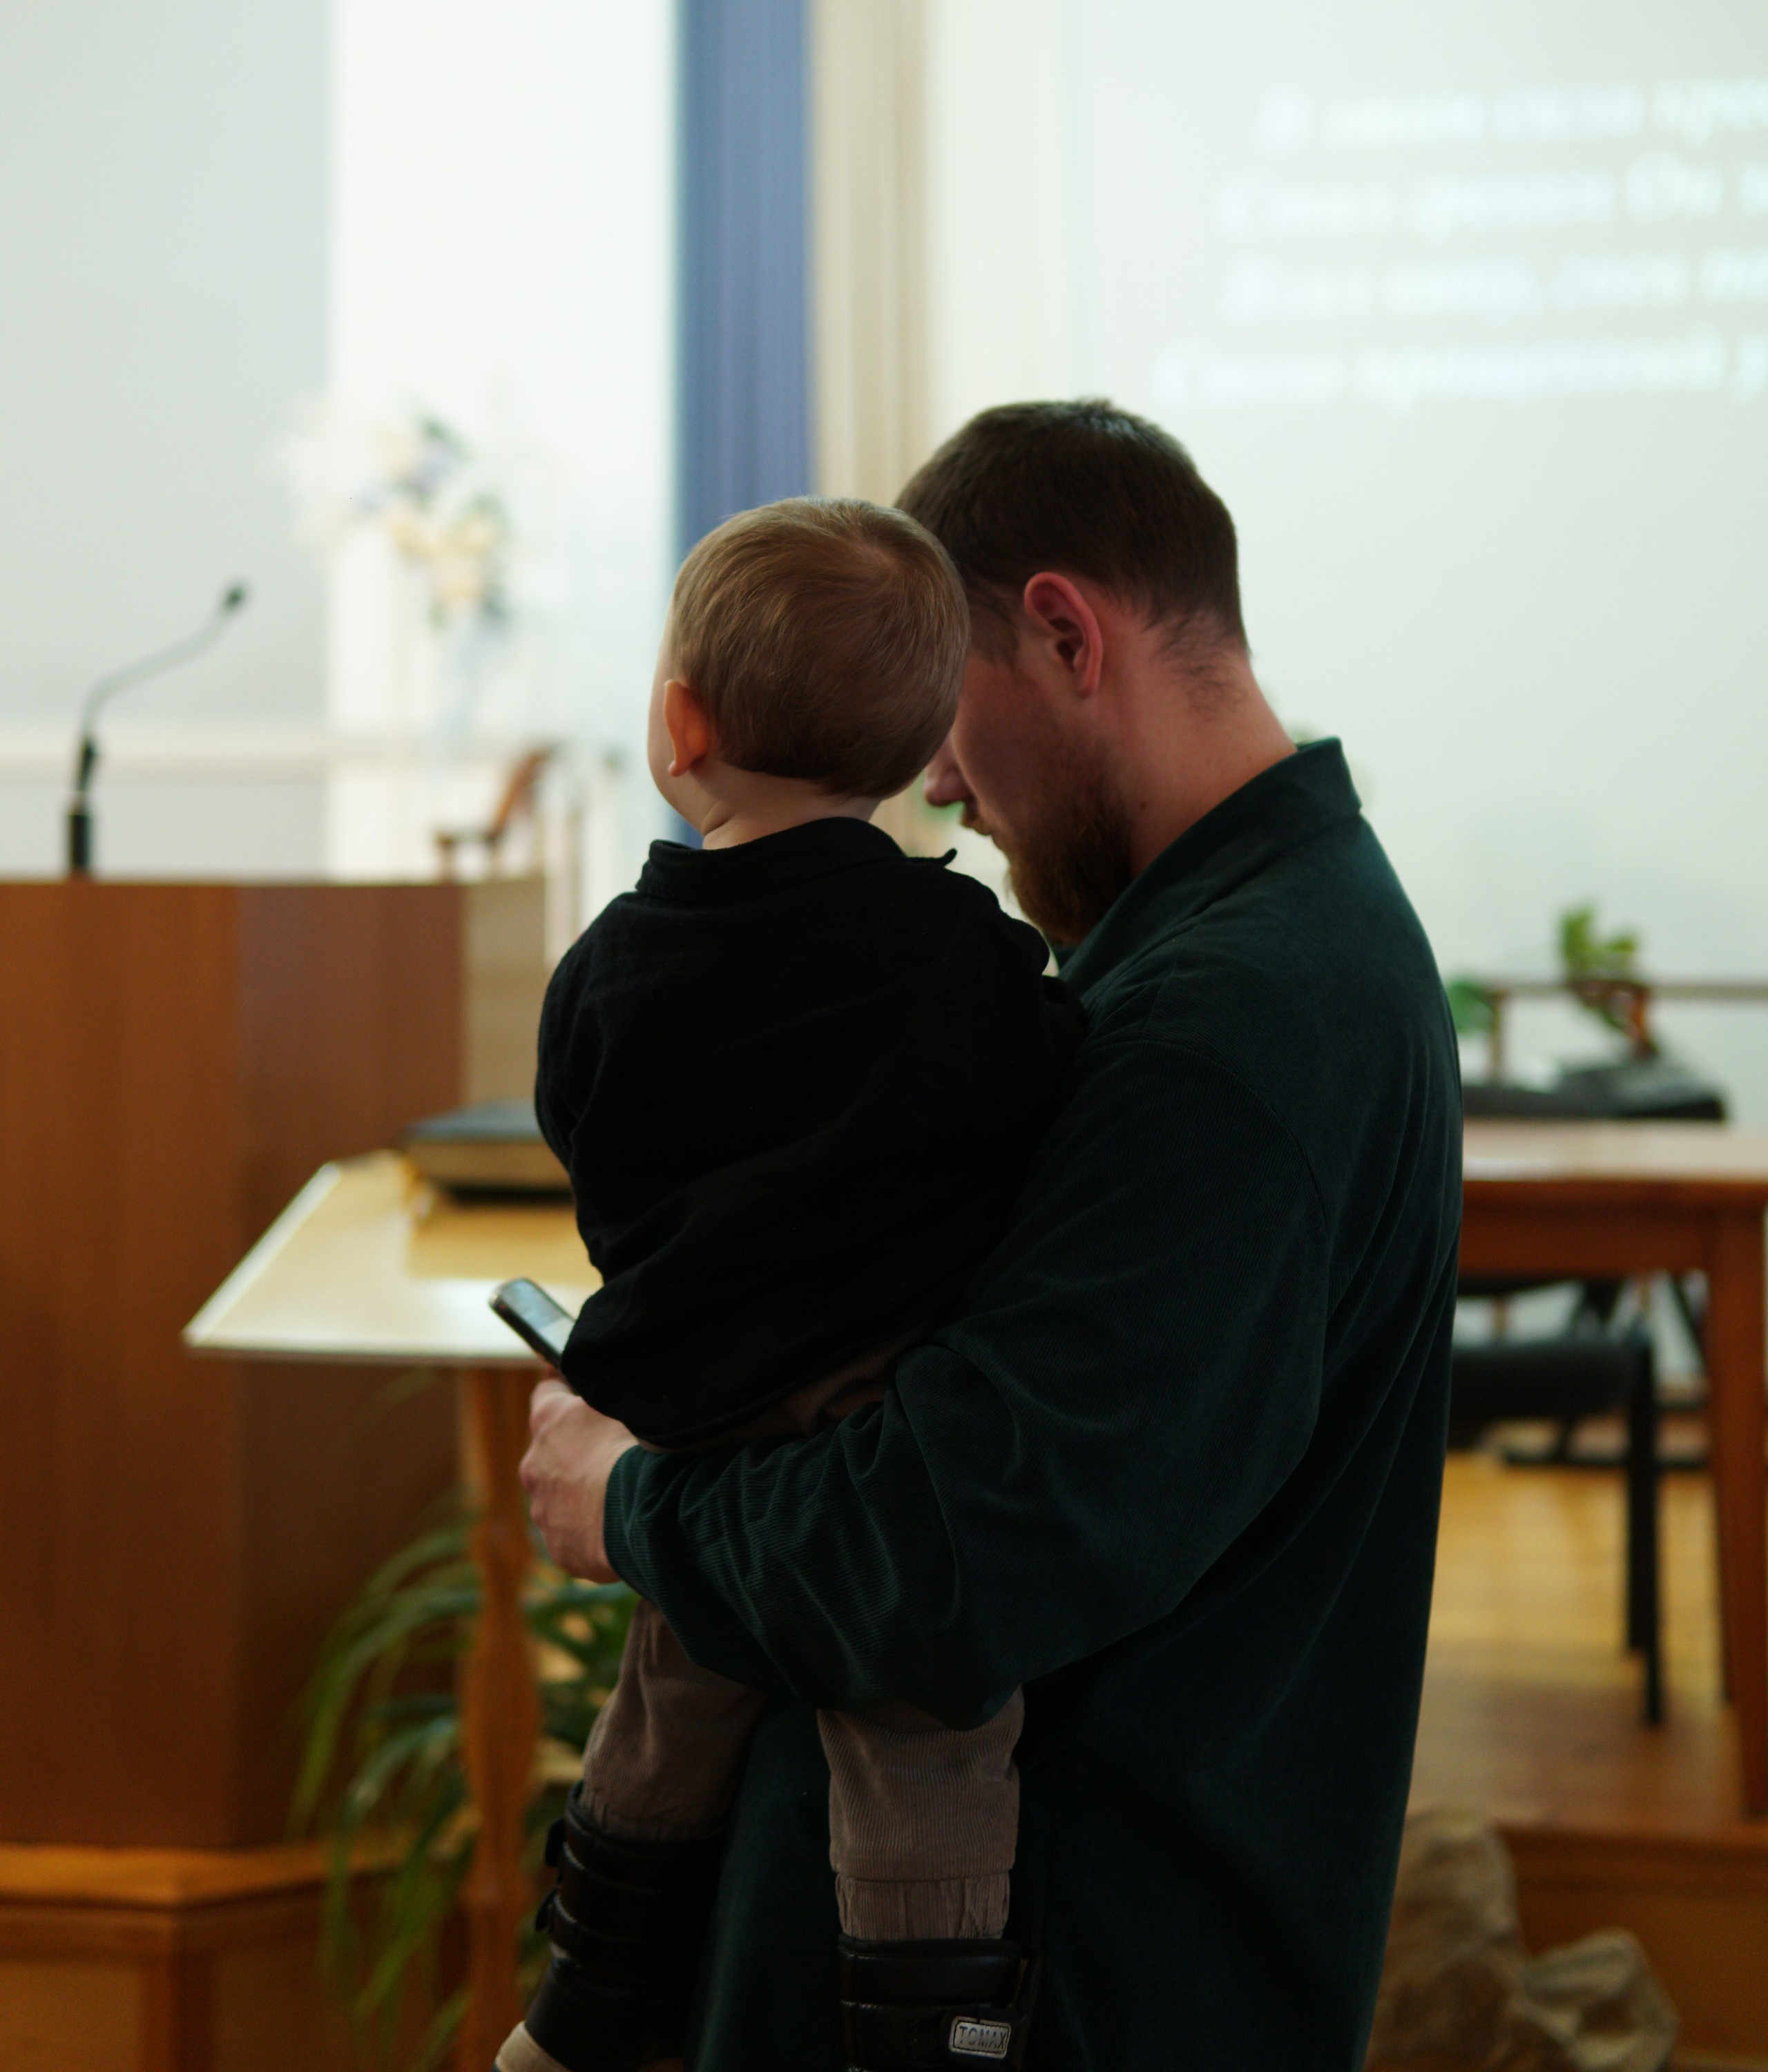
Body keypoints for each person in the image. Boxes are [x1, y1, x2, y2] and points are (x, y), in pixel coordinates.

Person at [521, 399, 1463, 2072]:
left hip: (1074, 1976)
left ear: (1059, 632)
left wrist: (632, 1499)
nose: (934, 784)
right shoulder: (1231, 939)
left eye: (939, 720)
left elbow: (953, 1556)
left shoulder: (1227, 1022)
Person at [499, 497, 1084, 2072]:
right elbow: (1029, 1106)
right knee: (922, 1740)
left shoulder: (607, 965)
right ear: (915, 753)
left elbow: (583, 1137)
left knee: (669, 1699)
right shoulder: (961, 950)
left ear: (676, 723)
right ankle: (924, 2031)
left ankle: (580, 2012)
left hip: (689, 1419)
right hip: (868, 1414)